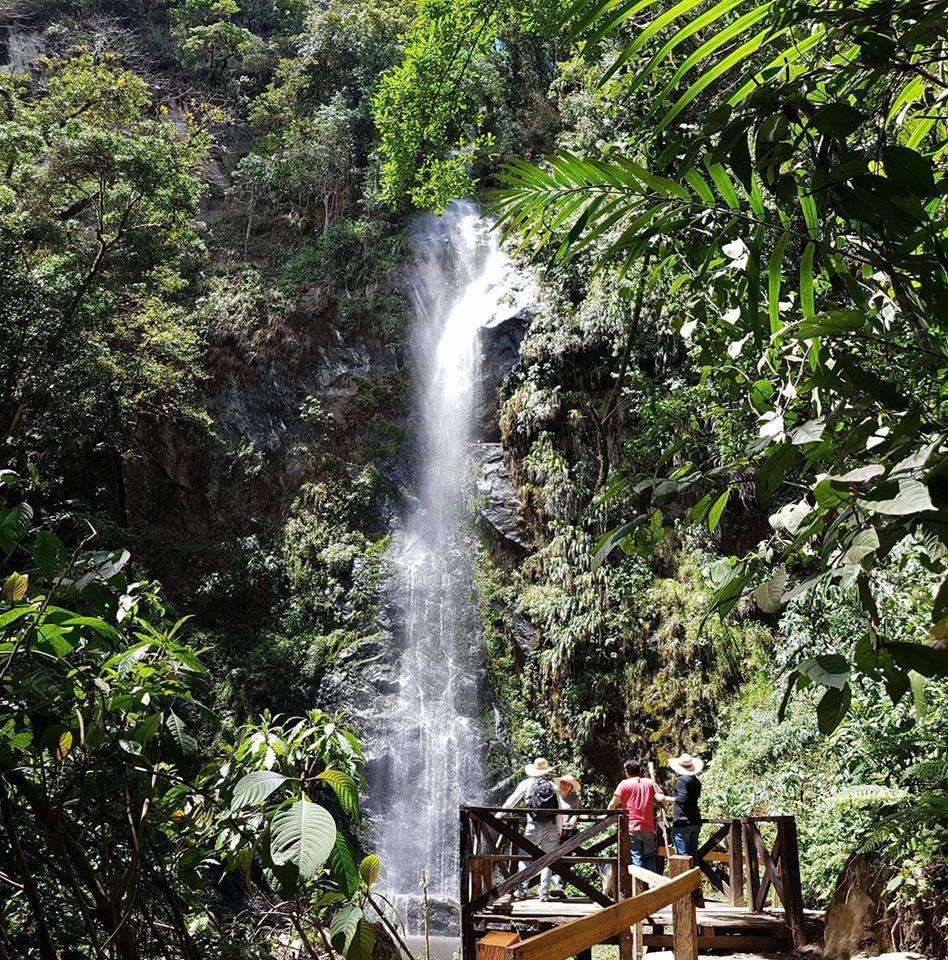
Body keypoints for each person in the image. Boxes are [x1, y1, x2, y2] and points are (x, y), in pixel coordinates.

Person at [502, 757, 566, 901]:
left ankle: (522, 890)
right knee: (548, 860)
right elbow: (559, 810)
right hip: (550, 826)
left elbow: (511, 802)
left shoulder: (526, 784)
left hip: (532, 826)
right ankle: (543, 894)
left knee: (525, 857)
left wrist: (497, 817)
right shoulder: (552, 786)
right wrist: (560, 828)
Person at [608, 758, 668, 874]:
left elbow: (612, 805)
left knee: (637, 858)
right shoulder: (649, 782)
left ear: (626, 772)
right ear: (639, 771)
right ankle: (653, 888)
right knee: (650, 858)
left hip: (632, 826)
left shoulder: (624, 784)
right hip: (648, 826)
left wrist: (606, 817)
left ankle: (639, 888)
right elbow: (661, 796)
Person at [549, 775, 581, 897]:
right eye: (563, 783)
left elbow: (576, 813)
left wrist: (573, 819)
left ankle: (560, 886)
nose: (565, 786)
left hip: (568, 832)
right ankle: (555, 883)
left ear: (571, 787)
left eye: (568, 784)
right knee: (553, 857)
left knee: (567, 859)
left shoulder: (574, 799)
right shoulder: (554, 796)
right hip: (554, 830)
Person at [667, 752, 704, 857]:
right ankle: (695, 873)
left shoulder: (682, 780)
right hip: (695, 820)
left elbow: (683, 798)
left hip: (683, 822)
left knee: (683, 857)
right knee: (693, 856)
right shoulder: (696, 781)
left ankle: (685, 873)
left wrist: (665, 798)